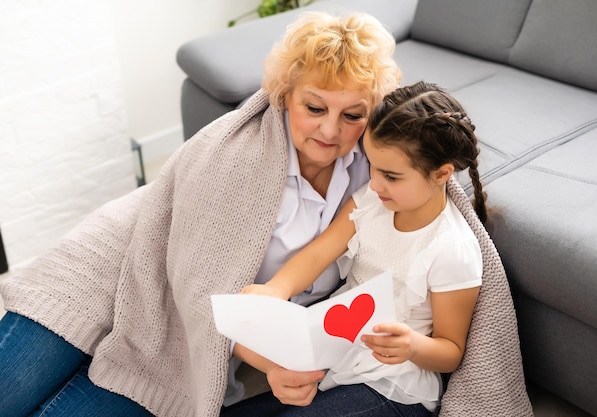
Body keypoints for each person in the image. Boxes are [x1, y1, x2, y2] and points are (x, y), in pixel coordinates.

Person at [0, 11, 401, 417]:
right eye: (314, 108)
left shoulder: (376, 171)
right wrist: (268, 362)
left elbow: (439, 193)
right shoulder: (235, 156)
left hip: (190, 312)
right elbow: (197, 287)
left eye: (352, 115)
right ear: (285, 94)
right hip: (110, 267)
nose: (330, 132)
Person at [223, 81, 487, 417]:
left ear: (441, 174)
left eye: (391, 176)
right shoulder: (371, 202)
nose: (374, 183)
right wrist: (274, 290)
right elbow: (319, 253)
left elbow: (451, 351)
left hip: (393, 385)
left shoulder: (451, 248)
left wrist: (411, 345)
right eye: (373, 167)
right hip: (338, 356)